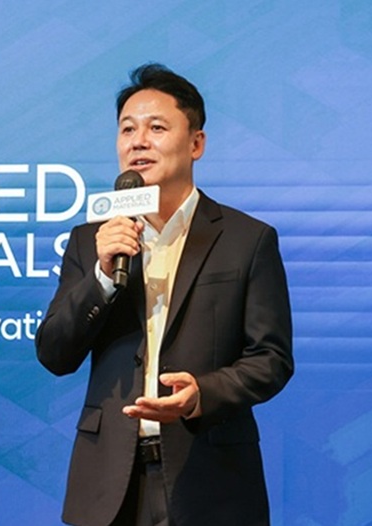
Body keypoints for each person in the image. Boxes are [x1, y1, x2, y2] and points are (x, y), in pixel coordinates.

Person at [35, 63, 294, 526]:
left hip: (209, 481)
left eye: (156, 128)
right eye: (127, 129)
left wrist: (201, 394)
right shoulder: (91, 242)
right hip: (109, 485)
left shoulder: (247, 239)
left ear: (196, 143)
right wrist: (102, 278)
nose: (138, 141)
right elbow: (55, 353)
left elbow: (271, 359)